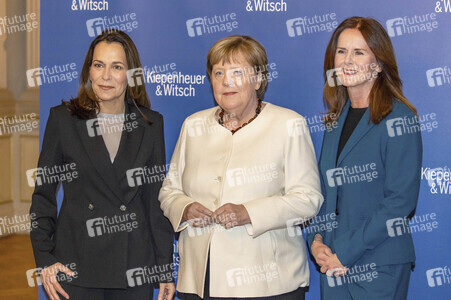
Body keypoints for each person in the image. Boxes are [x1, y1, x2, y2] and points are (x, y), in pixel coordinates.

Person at [159, 35, 323, 299]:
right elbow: (169, 191)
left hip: (267, 284)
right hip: (201, 280)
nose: (227, 81)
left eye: (238, 72)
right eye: (218, 72)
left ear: (258, 79)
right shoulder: (193, 125)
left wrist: (249, 212)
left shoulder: (287, 124)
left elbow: (308, 199)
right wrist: (185, 208)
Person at [29, 30, 175, 300]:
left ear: (130, 75)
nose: (106, 76)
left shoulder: (150, 124)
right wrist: (45, 258)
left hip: (133, 268)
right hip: (75, 268)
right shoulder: (63, 120)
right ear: (89, 70)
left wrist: (164, 270)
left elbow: (155, 202)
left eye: (117, 67)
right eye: (99, 65)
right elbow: (43, 196)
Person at [307, 17, 422, 300]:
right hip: (333, 265)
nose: (347, 60)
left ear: (379, 64)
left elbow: (399, 203)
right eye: (341, 51)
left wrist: (344, 253)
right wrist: (317, 240)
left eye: (359, 52)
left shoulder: (400, 118)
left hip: (379, 265)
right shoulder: (335, 121)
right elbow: (326, 193)